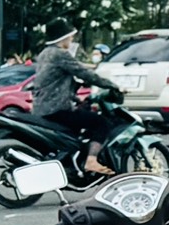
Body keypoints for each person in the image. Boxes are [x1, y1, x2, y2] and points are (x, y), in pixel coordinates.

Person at [31, 28, 119, 175]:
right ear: (63, 38)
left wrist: (75, 99)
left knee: (80, 122)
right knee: (101, 123)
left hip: (42, 108)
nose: (72, 40)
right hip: (57, 109)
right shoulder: (60, 54)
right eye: (70, 38)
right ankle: (91, 161)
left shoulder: (44, 54)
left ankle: (73, 164)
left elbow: (53, 83)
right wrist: (113, 85)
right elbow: (84, 73)